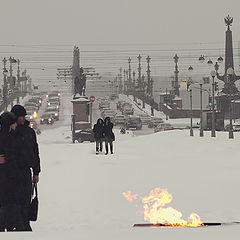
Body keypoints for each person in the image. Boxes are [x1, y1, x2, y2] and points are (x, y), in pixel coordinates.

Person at [11, 105, 41, 231]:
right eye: (20, 116)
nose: (23, 119)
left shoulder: (30, 132)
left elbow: (35, 151)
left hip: (25, 171)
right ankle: (17, 223)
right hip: (12, 172)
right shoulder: (9, 132)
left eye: (24, 116)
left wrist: (36, 171)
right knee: (14, 199)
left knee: (25, 198)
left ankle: (24, 222)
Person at [0, 112, 25, 231]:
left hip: (8, 177)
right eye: (13, 123)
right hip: (9, 177)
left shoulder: (10, 136)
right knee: (10, 203)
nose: (16, 125)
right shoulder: (9, 138)